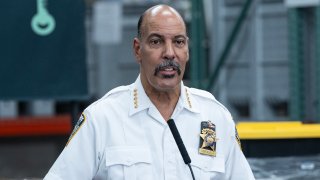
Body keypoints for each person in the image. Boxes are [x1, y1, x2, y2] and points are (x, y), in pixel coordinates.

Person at [44, 4, 255, 180]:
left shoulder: (216, 117)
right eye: (156, 41)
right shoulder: (102, 118)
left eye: (178, 42)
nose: (169, 53)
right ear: (138, 50)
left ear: (187, 50)